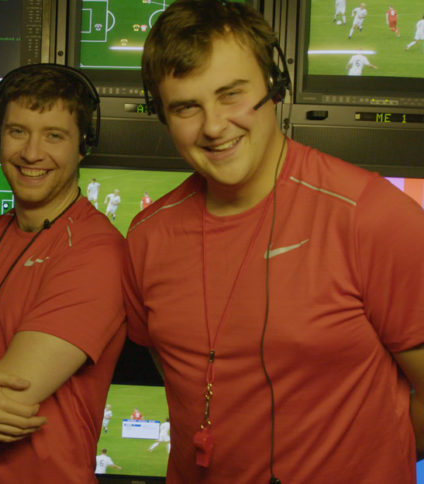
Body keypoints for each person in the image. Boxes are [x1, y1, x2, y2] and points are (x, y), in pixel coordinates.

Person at [131, 0, 424, 482]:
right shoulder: (147, 236)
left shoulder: (371, 216)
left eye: (231, 94)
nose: (213, 126)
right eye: (186, 107)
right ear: (161, 115)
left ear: (274, 84)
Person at [0, 64, 127, 483]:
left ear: (83, 146)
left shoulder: (98, 252)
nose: (32, 153)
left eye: (54, 136)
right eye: (18, 131)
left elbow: (8, 397)